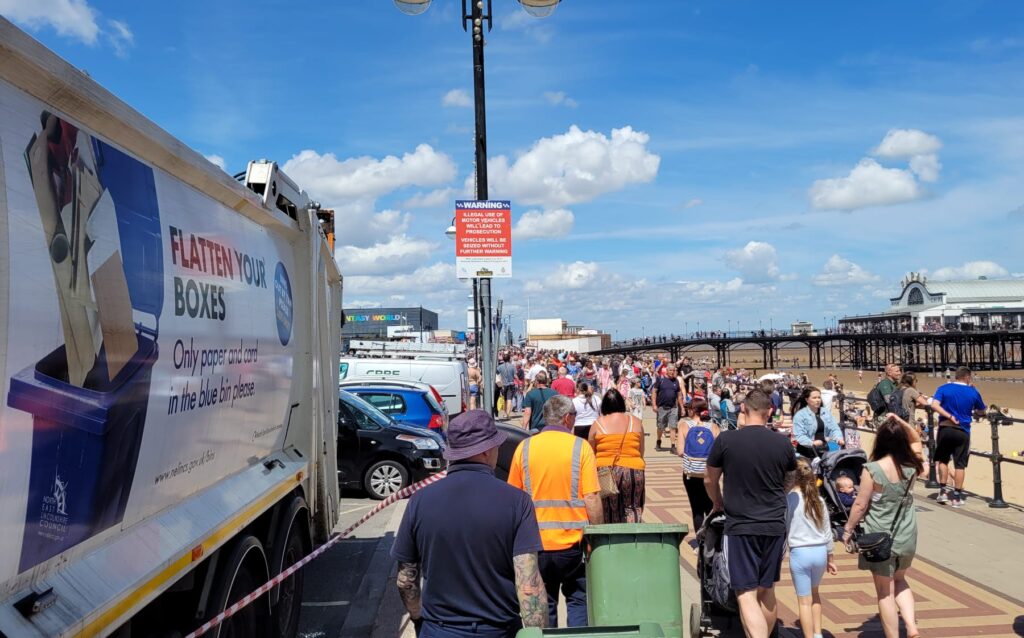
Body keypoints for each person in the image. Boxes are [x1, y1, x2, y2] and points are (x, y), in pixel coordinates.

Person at [393, 410, 547, 637]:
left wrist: (418, 618)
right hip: (498, 630)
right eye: (496, 445)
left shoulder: (420, 501)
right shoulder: (517, 502)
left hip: (438, 630)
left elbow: (406, 580)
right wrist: (537, 632)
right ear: (486, 451)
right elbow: (529, 586)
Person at [704, 389, 797, 638]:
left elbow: (709, 479)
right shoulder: (782, 442)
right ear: (770, 412)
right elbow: (790, 479)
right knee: (767, 588)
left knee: (745, 592)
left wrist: (718, 502)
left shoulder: (726, 440)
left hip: (741, 524)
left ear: (743, 409)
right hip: (775, 523)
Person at [507, 395, 604, 628]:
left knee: (544, 604)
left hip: (535, 545)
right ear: (568, 418)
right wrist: (597, 535)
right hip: (573, 545)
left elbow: (513, 497)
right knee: (579, 600)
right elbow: (591, 497)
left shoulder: (525, 447)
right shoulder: (581, 448)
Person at [842, 416, 924, 638]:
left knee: (884, 592)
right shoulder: (913, 464)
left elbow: (860, 504)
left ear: (881, 441)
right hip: (907, 533)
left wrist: (848, 529)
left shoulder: (873, 469)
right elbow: (917, 439)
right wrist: (900, 422)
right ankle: (911, 626)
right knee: (900, 579)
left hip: (879, 537)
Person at [786, 457, 837, 638]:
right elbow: (827, 531)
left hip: (800, 553)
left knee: (804, 601)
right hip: (820, 551)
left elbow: (784, 529)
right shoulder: (818, 500)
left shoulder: (789, 500)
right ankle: (817, 634)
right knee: (815, 595)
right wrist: (830, 557)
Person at [588, 389, 646, 523]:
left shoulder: (598, 423)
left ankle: (612, 540)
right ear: (621, 403)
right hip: (633, 469)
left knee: (608, 509)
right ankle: (632, 539)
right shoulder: (635, 421)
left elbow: (591, 452)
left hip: (605, 471)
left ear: (604, 405)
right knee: (633, 508)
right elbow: (641, 450)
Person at [932, 367, 986, 508]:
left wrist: (949, 416)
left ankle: (942, 492)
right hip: (963, 430)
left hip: (945, 428)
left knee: (943, 460)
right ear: (968, 377)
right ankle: (956, 497)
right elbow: (981, 410)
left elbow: (934, 405)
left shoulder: (943, 388)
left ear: (956, 376)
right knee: (960, 464)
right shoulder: (973, 391)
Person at [678, 399, 718, 538]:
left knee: (696, 509)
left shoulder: (684, 425)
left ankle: (700, 543)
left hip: (691, 473)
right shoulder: (713, 427)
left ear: (692, 410)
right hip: (709, 473)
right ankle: (712, 541)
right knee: (711, 507)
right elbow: (718, 453)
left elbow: (680, 451)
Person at [792, 387, 844, 459]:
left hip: (824, 448)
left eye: (819, 397)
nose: (817, 400)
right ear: (807, 400)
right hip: (807, 451)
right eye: (814, 398)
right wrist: (812, 443)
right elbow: (799, 436)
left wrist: (839, 438)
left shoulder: (825, 412)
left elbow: (835, 428)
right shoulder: (800, 415)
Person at [651, 365, 685, 452]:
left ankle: (673, 446)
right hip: (662, 407)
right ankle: (658, 441)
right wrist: (654, 405)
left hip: (673, 407)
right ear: (666, 371)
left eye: (673, 370)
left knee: (673, 426)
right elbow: (654, 392)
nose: (672, 372)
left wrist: (682, 407)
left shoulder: (676, 381)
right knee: (661, 427)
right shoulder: (660, 379)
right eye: (670, 370)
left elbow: (679, 395)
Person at [497, 354, 518, 420]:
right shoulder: (512, 366)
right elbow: (515, 375)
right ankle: (507, 414)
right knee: (509, 399)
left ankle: (505, 413)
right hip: (511, 384)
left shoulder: (500, 367)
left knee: (505, 399)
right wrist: (519, 382)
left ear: (503, 359)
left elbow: (497, 374)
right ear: (509, 359)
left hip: (503, 385)